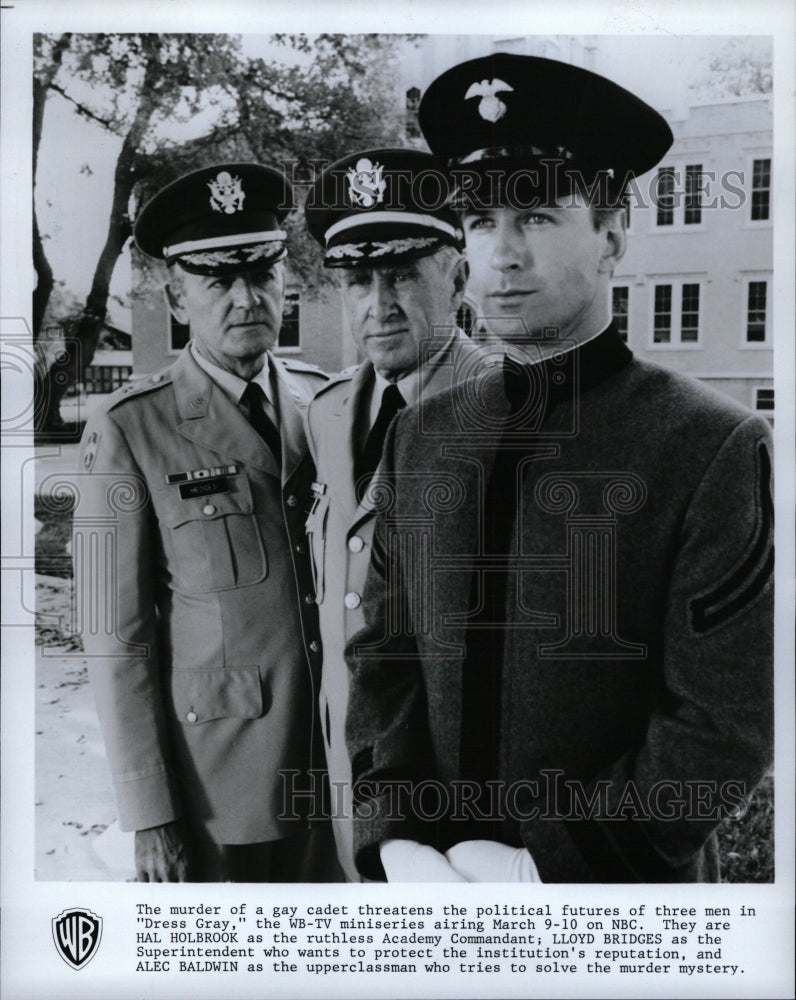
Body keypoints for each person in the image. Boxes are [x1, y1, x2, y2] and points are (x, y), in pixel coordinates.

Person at [345, 54, 774, 883]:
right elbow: (383, 655)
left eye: (536, 216)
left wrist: (545, 867)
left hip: (616, 905)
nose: (500, 256)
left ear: (613, 232)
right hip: (431, 897)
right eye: (480, 221)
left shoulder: (708, 444)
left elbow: (725, 720)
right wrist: (395, 833)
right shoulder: (423, 435)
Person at [75, 163, 341, 882]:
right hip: (221, 790)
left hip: (341, 776)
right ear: (177, 294)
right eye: (218, 281)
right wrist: (150, 813)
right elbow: (113, 637)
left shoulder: (329, 408)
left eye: (261, 272)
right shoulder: (129, 428)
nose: (245, 298)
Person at [303, 147, 491, 880]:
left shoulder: (515, 416)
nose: (378, 303)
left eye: (403, 274)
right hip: (352, 779)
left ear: (458, 277)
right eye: (356, 280)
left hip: (457, 802)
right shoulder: (326, 414)